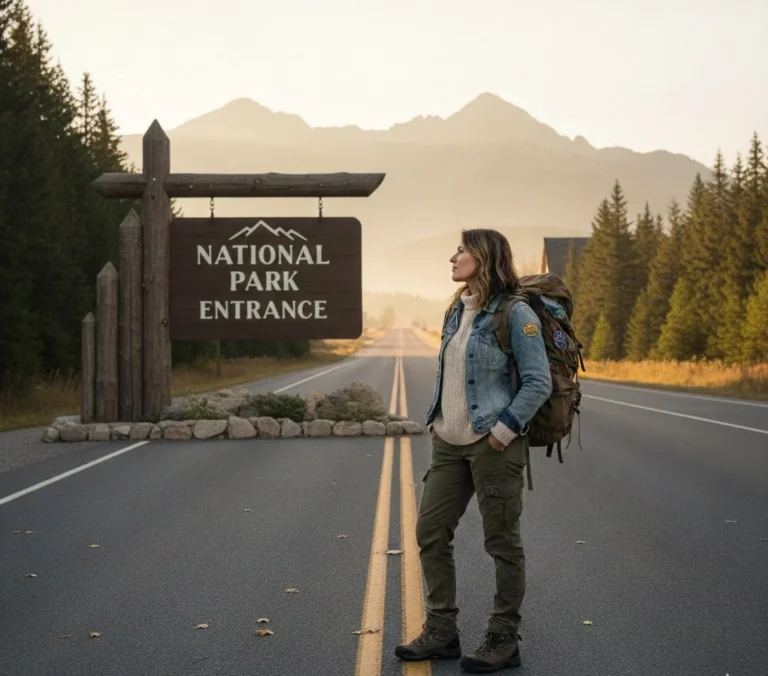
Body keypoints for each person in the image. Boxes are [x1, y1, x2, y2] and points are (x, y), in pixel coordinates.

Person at [394, 228, 553, 673]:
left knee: (501, 542)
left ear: (483, 257)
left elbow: (538, 381)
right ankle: (442, 630)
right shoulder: (455, 310)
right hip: (448, 441)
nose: (453, 256)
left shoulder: (515, 313)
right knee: (430, 532)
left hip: (492, 444)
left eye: (461, 250)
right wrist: (440, 423)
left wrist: (504, 430)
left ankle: (504, 638)